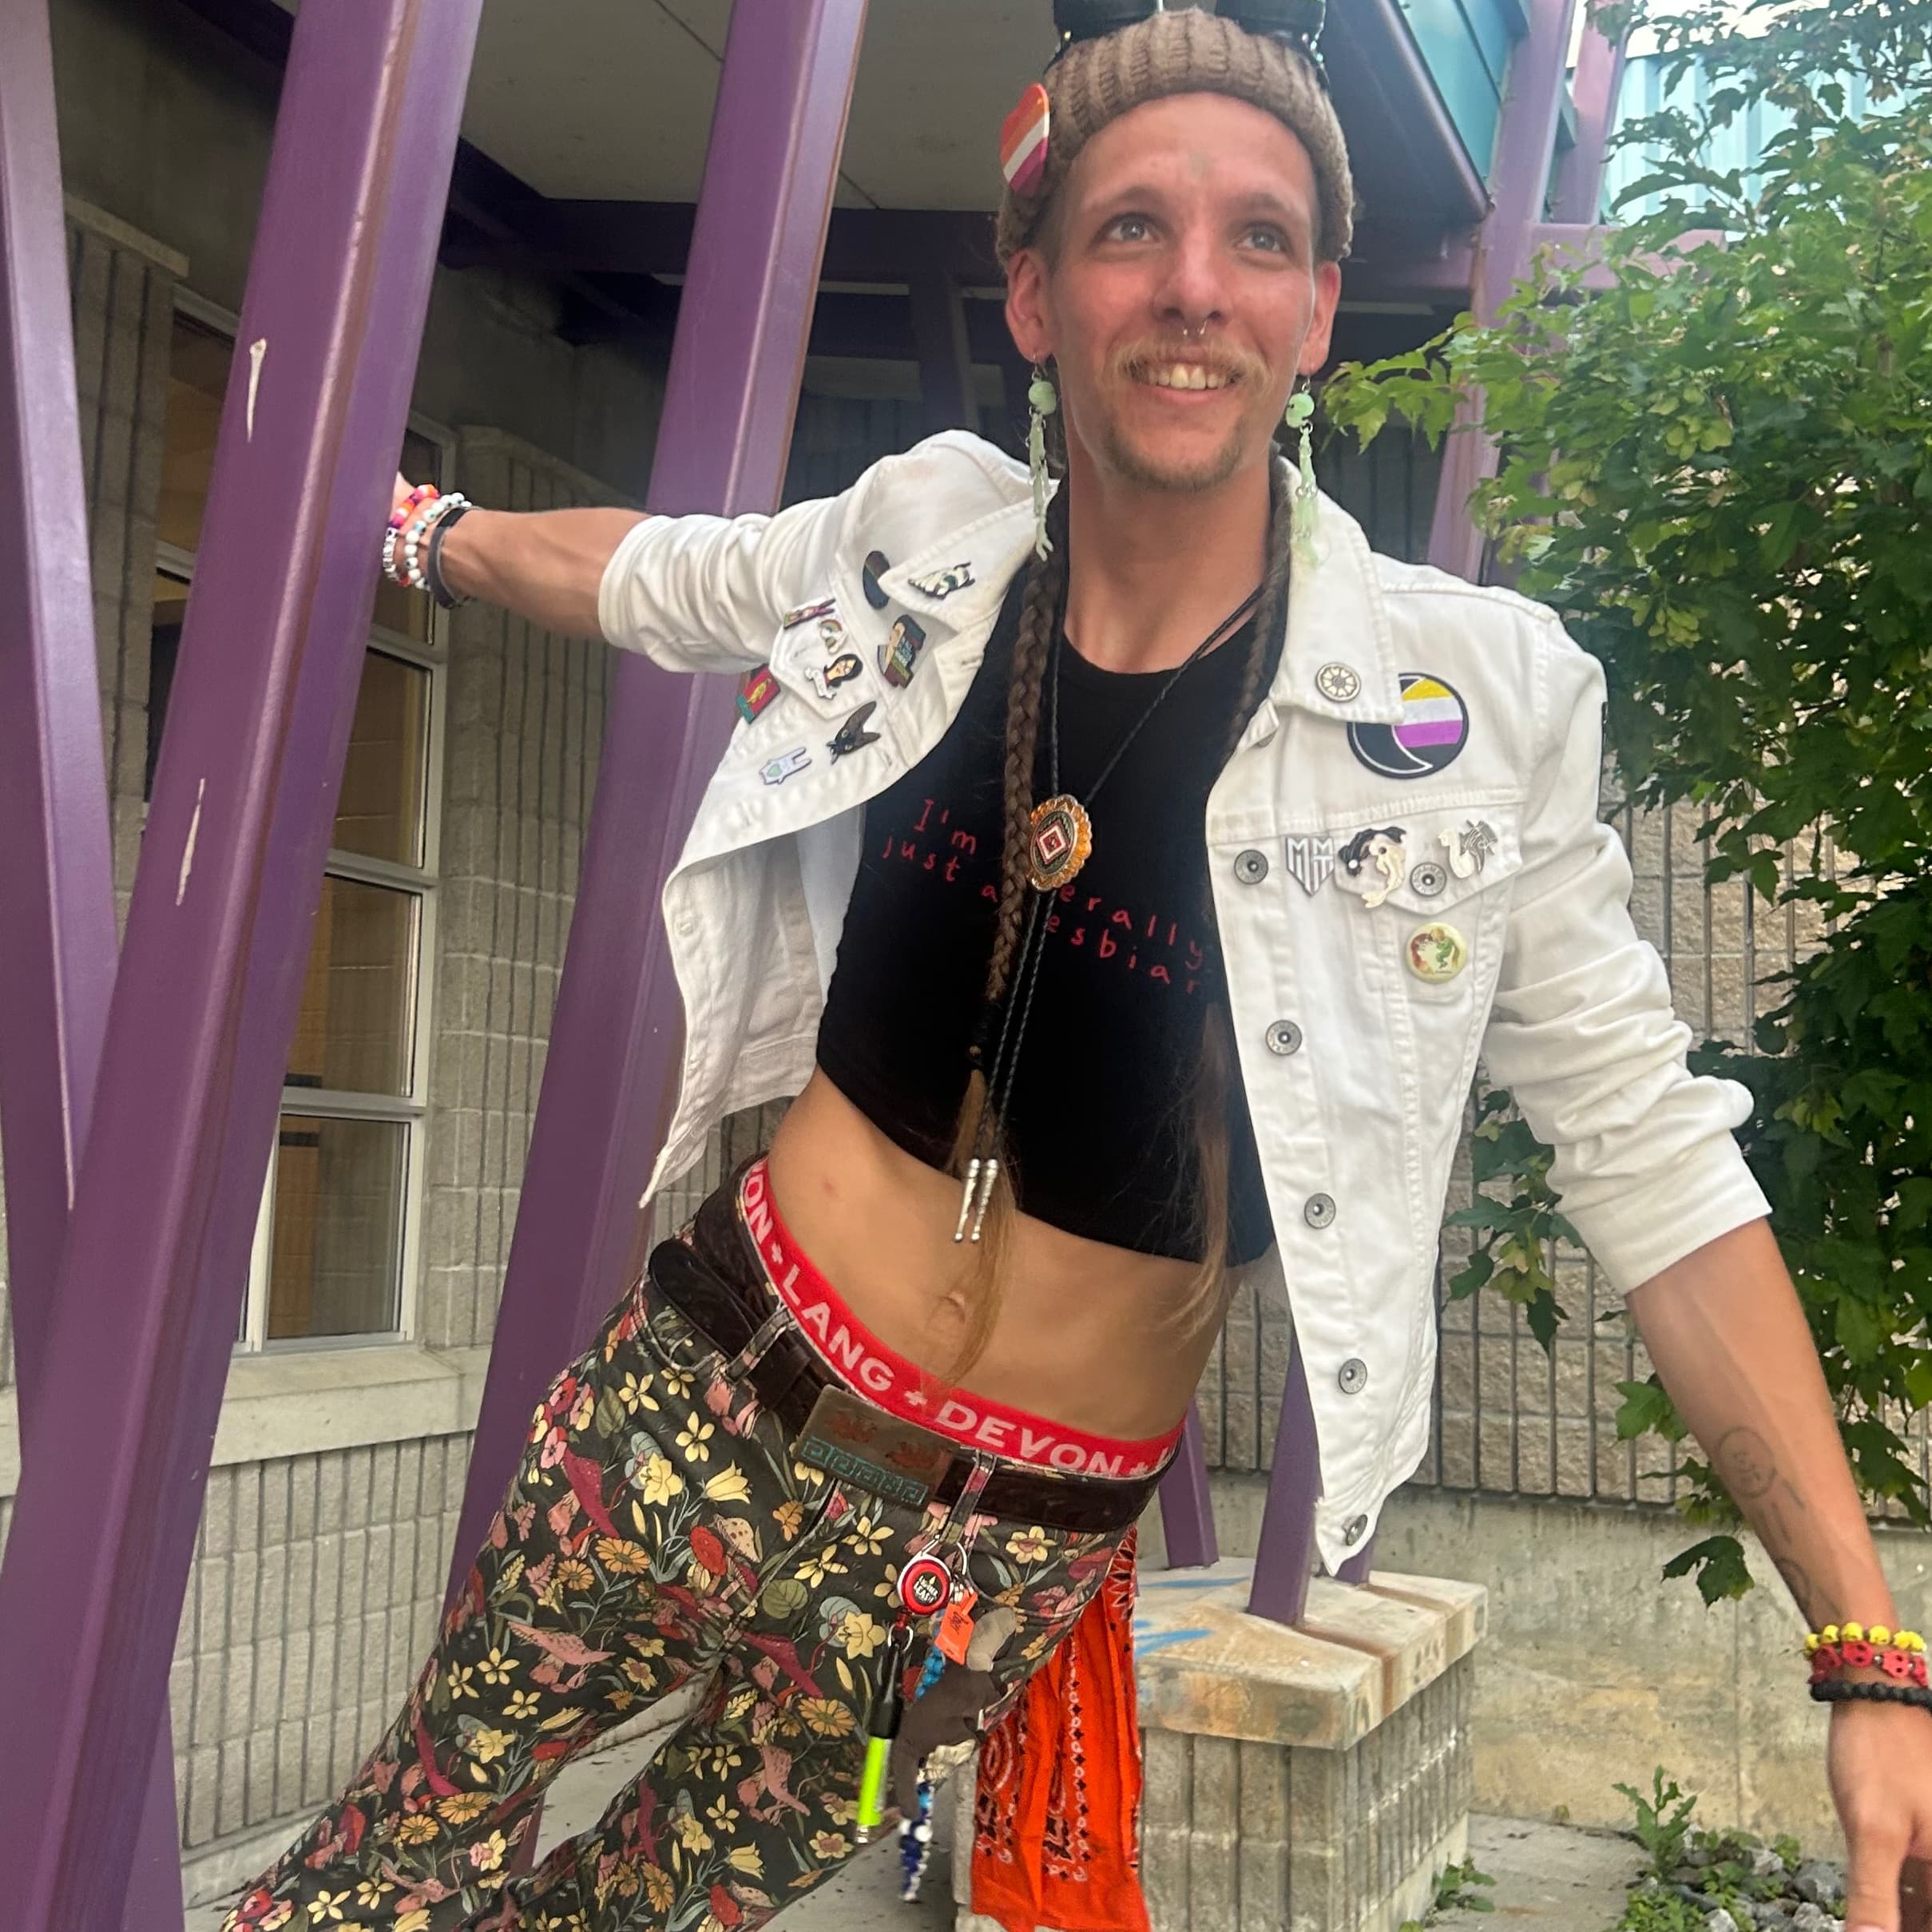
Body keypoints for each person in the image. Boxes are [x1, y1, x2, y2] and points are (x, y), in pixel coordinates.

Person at [226, 4, 1932, 1930]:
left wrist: (1868, 1655)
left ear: (1313, 311)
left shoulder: (1460, 713)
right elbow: (656, 576)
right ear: (1036, 298)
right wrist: (411, 528)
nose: (1193, 287)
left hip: (981, 1573)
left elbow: (1658, 1168)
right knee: (374, 1879)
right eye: (1132, 228)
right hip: (700, 1399)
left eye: (1258, 238)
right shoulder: (923, 547)